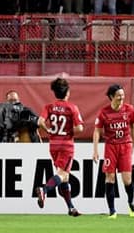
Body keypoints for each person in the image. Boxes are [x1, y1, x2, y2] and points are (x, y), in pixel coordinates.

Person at [35, 78, 84, 217]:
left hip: (53, 145)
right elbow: (80, 128)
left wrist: (49, 130)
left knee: (65, 177)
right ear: (67, 92)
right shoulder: (72, 107)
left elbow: (40, 122)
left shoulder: (49, 107)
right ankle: (44, 190)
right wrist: (69, 131)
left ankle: (71, 208)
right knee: (62, 174)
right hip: (66, 145)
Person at [92, 84, 134, 219]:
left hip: (125, 145)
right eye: (119, 95)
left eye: (123, 95)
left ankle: (131, 203)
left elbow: (133, 126)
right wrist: (95, 150)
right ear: (112, 96)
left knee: (127, 180)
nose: (121, 98)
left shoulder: (129, 109)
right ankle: (112, 211)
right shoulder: (103, 113)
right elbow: (96, 131)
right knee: (110, 177)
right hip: (111, 146)